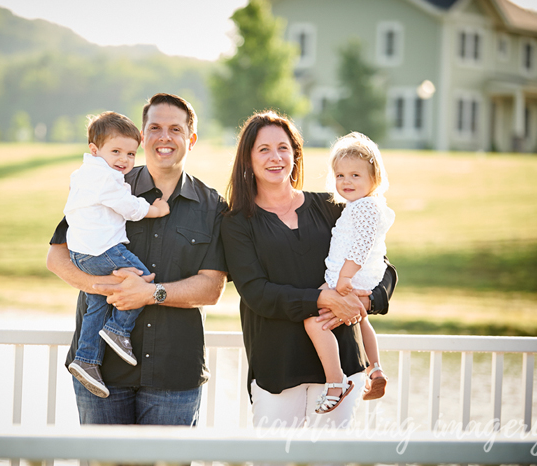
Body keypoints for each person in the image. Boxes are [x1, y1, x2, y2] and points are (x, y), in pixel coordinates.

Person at [46, 93, 228, 426]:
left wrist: (150, 293)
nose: (165, 137)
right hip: (101, 374)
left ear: (192, 138)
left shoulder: (212, 205)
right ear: (143, 135)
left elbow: (212, 288)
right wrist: (100, 285)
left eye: (176, 128)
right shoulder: (106, 183)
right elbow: (57, 256)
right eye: (155, 127)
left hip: (173, 372)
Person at [220, 111, 397, 430]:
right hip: (278, 364)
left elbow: (381, 268)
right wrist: (324, 300)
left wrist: (367, 303)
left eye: (283, 148)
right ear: (247, 159)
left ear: (295, 154)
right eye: (263, 149)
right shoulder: (236, 223)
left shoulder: (333, 206)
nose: (275, 157)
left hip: (342, 363)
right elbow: (257, 294)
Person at [63, 111, 170, 399]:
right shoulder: (105, 178)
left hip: (83, 252)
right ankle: (118, 329)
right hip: (101, 250)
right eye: (116, 151)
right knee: (140, 280)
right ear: (95, 150)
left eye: (131, 153)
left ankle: (86, 359)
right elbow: (128, 206)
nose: (124, 159)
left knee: (98, 302)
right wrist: (154, 209)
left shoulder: (85, 174)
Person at [305, 131, 394, 414]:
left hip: (351, 276)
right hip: (357, 277)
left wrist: (343, 279)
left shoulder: (366, 208)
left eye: (355, 175)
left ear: (374, 178)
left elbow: (361, 247)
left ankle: (336, 381)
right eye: (340, 176)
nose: (346, 182)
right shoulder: (360, 206)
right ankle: (375, 368)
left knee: (312, 319)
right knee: (359, 319)